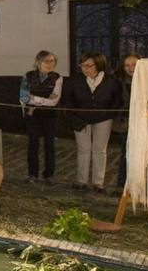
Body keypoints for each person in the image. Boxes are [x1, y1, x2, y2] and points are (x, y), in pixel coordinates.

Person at [62, 52, 125, 193]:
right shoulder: (75, 80)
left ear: (98, 64)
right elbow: (68, 99)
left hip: (103, 119)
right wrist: (77, 114)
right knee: (83, 149)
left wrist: (108, 114)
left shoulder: (111, 81)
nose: (85, 69)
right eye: (82, 65)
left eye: (89, 65)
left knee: (100, 150)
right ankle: (81, 181)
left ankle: (98, 183)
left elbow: (117, 100)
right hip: (80, 119)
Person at [18, 50, 62, 185]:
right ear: (38, 62)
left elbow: (54, 101)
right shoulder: (28, 76)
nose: (50, 64)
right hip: (32, 115)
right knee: (33, 143)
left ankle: (49, 174)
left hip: (50, 116)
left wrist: (35, 99)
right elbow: (24, 97)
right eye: (46, 61)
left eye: (52, 61)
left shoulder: (57, 78)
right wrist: (44, 100)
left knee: (50, 144)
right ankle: (32, 174)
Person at [115, 53, 140, 193]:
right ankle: (122, 184)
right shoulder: (120, 82)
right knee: (125, 152)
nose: (131, 68)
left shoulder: (147, 80)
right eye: (127, 65)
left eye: (134, 64)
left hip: (143, 122)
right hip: (126, 121)